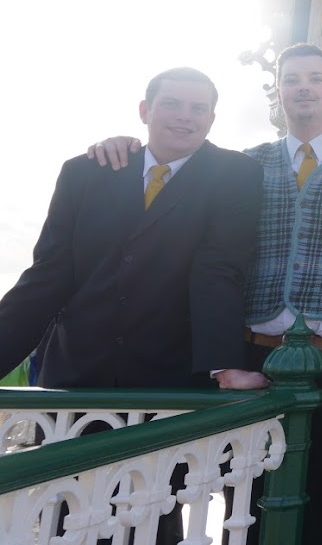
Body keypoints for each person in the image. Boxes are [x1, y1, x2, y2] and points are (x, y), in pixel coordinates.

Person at [87, 44, 322, 545]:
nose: (303, 87)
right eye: (292, 78)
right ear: (278, 91)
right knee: (246, 496)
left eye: (315, 78)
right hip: (253, 357)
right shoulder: (243, 166)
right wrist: (124, 145)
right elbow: (173, 167)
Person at [0, 67, 264, 545]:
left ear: (212, 118)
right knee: (64, 515)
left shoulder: (235, 174)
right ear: (145, 110)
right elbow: (49, 274)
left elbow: (220, 268)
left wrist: (225, 364)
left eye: (198, 108)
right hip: (77, 377)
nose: (185, 118)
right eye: (172, 104)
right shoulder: (86, 171)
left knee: (150, 516)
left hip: (163, 379)